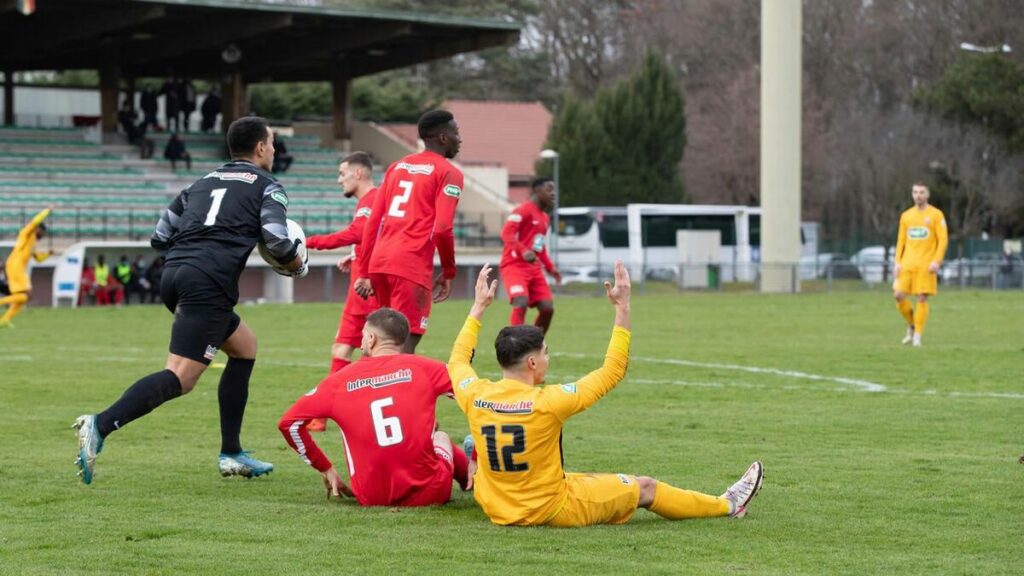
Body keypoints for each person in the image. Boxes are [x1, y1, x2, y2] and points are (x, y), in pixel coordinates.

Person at [73, 116, 308, 485]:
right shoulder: (268, 187)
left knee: (245, 346)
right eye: (273, 143)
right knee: (181, 378)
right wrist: (297, 264)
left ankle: (232, 453)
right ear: (261, 147)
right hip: (207, 283)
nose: (275, 149)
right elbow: (278, 240)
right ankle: (100, 424)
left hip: (174, 274)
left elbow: (159, 236)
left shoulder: (199, 183)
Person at [447, 263, 764, 527]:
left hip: (495, 506)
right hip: (548, 509)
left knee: (553, 470)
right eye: (545, 352)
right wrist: (622, 308)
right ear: (531, 362)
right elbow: (612, 371)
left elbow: (458, 361)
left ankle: (478, 453)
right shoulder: (549, 402)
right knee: (645, 487)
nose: (547, 358)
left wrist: (478, 308)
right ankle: (727, 505)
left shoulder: (475, 394)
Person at [278, 308, 471, 506]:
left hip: (371, 497)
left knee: (434, 436)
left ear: (371, 338)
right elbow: (476, 401)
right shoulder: (428, 368)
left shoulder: (338, 381)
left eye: (362, 336)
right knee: (440, 437)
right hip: (430, 493)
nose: (361, 342)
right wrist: (476, 457)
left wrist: (326, 468)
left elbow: (288, 424)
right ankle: (471, 481)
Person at [354, 109, 463, 353]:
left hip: (380, 264)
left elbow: (373, 222)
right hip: (410, 267)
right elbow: (443, 229)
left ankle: (366, 390)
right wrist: (448, 271)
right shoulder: (449, 173)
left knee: (382, 344)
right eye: (456, 132)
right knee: (403, 348)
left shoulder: (397, 166)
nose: (460, 139)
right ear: (443, 138)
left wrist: (364, 270)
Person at [305, 152, 380, 374]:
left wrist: (307, 242)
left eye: (342, 174)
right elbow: (369, 236)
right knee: (340, 350)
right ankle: (335, 404)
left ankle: (374, 401)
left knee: (376, 354)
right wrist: (356, 254)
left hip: (371, 291)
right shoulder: (366, 202)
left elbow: (356, 232)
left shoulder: (373, 199)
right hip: (356, 294)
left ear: (358, 173)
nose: (339, 180)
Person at [499, 177, 563, 334]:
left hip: (533, 269)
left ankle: (535, 342)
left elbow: (539, 247)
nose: (553, 194)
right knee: (521, 301)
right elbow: (506, 233)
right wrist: (523, 250)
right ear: (537, 190)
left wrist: (551, 268)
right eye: (549, 189)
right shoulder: (523, 210)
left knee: (547, 308)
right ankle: (516, 344)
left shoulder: (545, 218)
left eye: (554, 190)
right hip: (514, 266)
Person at [893, 182, 948, 347]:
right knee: (898, 295)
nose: (918, 195)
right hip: (907, 264)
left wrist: (936, 261)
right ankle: (912, 325)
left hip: (926, 265)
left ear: (928, 194)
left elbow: (943, 240)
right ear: (912, 194)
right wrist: (897, 262)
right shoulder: (906, 216)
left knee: (921, 298)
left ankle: (917, 336)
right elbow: (900, 241)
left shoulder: (936, 215)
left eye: (922, 192)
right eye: (915, 192)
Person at [0, 207, 52, 328]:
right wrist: (47, 211)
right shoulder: (27, 233)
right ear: (38, 229)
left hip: (17, 268)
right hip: (15, 265)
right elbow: (34, 221)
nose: (43, 236)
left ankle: (4, 320)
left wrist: (49, 254)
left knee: (24, 298)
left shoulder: (33, 243)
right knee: (26, 295)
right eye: (42, 233)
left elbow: (38, 259)